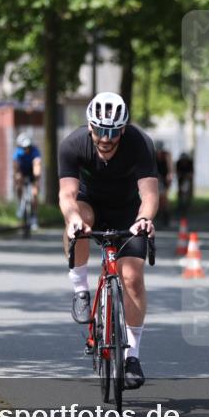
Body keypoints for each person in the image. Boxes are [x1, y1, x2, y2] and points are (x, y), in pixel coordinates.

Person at [58, 92, 157, 390]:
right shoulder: (72, 145)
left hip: (129, 212)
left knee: (133, 278)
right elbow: (66, 195)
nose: (105, 138)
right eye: (100, 130)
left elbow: (150, 194)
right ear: (90, 126)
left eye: (113, 131)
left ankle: (132, 357)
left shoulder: (139, 143)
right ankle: (80, 290)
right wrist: (73, 218)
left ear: (123, 129)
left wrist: (144, 219)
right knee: (78, 224)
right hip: (90, 205)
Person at [13, 132, 42, 230]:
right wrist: (17, 175)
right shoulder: (18, 152)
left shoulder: (35, 151)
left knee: (34, 193)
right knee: (18, 181)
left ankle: (34, 216)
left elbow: (37, 163)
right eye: (24, 147)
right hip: (22, 171)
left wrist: (36, 178)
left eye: (28, 147)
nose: (26, 149)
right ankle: (20, 204)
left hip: (31, 171)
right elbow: (16, 165)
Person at [154, 142, 173, 227]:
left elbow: (170, 167)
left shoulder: (167, 155)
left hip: (164, 177)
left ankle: (166, 216)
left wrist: (170, 174)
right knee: (156, 197)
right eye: (158, 151)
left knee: (164, 198)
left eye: (160, 151)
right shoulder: (152, 154)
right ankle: (157, 215)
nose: (159, 153)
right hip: (156, 177)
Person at [175, 151, 194, 217]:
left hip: (187, 180)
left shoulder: (190, 163)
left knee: (187, 193)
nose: (184, 162)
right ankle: (180, 206)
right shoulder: (178, 163)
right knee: (180, 193)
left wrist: (185, 175)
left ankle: (187, 206)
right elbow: (177, 173)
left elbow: (191, 174)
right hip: (180, 180)